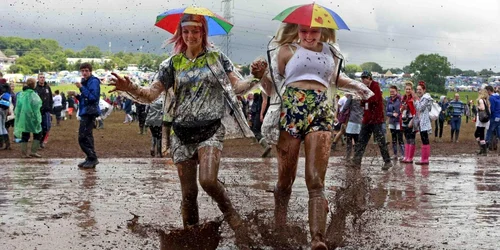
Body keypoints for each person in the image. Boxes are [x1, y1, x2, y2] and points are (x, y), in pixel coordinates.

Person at [108, 14, 263, 241]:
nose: (191, 36)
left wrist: (255, 78)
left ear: (203, 33)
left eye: (196, 31)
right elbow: (151, 95)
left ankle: (234, 219)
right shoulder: (171, 64)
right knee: (189, 194)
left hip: (210, 129)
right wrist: (129, 87)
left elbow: (237, 88)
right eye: (186, 31)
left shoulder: (217, 59)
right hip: (181, 133)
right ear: (180, 34)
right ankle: (193, 238)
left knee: (208, 181)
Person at [259, 23, 374, 249]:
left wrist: (357, 86)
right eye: (304, 31)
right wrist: (259, 75)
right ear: (297, 31)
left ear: (322, 31)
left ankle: (317, 239)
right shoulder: (285, 50)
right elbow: (271, 85)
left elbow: (335, 79)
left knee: (315, 179)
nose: (309, 36)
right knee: (285, 180)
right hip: (291, 110)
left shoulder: (331, 52)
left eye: (314, 31)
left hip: (320, 110)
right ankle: (279, 228)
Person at [349, 71, 392, 170]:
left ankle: (387, 161)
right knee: (361, 141)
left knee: (381, 141)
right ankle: (356, 161)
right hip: (367, 119)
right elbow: (363, 103)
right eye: (362, 78)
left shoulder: (375, 86)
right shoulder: (365, 88)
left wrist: (363, 97)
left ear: (370, 78)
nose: (364, 80)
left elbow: (375, 99)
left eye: (365, 78)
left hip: (376, 119)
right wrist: (363, 99)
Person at [74, 62, 101, 168]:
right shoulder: (85, 81)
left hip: (90, 111)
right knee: (87, 136)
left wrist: (81, 88)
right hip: (86, 111)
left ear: (90, 71)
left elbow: (93, 98)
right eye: (82, 71)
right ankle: (90, 158)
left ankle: (92, 157)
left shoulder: (93, 82)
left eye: (86, 71)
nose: (84, 73)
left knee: (83, 136)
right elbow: (85, 98)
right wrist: (77, 95)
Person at [14, 78, 43, 157]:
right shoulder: (33, 94)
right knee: (38, 133)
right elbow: (37, 106)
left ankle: (24, 153)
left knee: (25, 134)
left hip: (23, 118)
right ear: (34, 84)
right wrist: (37, 117)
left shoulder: (21, 94)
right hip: (32, 117)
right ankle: (33, 151)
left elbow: (18, 106)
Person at [413, 81, 433, 165]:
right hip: (422, 121)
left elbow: (420, 108)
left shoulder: (426, 98)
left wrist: (416, 101)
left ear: (424, 90)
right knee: (424, 139)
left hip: (424, 122)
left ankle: (425, 159)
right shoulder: (422, 98)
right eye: (417, 89)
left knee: (425, 140)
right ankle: (424, 158)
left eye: (420, 89)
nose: (418, 91)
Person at [249, 92, 272, 157]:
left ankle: (266, 146)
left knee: (255, 130)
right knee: (266, 132)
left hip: (261, 112)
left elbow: (265, 101)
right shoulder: (273, 89)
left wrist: (261, 113)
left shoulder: (264, 88)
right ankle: (268, 153)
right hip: (269, 112)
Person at [34, 73, 53, 148]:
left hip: (46, 111)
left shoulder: (47, 87)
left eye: (43, 77)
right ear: (38, 78)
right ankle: (37, 142)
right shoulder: (35, 88)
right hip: (38, 111)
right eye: (40, 77)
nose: (42, 78)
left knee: (47, 127)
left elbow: (50, 99)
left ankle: (41, 141)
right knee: (38, 127)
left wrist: (51, 111)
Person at [342, 94, 363, 161]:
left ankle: (348, 156)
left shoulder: (352, 95)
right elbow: (366, 107)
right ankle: (357, 156)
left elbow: (345, 106)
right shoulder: (364, 96)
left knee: (349, 139)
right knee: (357, 139)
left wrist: (342, 113)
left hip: (352, 120)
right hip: (360, 120)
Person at [400, 81, 417, 163]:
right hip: (404, 119)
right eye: (406, 89)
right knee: (406, 138)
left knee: (411, 138)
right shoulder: (403, 98)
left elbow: (415, 110)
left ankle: (410, 157)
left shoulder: (413, 98)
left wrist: (413, 120)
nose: (408, 91)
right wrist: (402, 108)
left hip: (411, 119)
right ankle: (406, 156)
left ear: (412, 90)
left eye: (409, 89)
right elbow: (400, 109)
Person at [386, 85, 404, 160]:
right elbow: (386, 111)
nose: (391, 93)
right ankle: (395, 154)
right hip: (392, 121)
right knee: (393, 138)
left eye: (393, 91)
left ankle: (403, 154)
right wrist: (392, 114)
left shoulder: (400, 99)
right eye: (390, 92)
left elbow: (403, 109)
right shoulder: (388, 100)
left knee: (400, 137)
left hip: (399, 120)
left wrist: (399, 113)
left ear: (396, 91)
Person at [475, 89, 490, 156]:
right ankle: (483, 149)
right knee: (480, 134)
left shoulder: (481, 100)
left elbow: (482, 108)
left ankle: (483, 149)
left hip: (481, 119)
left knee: (479, 134)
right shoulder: (486, 101)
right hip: (485, 119)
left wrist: (477, 107)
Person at [485, 86, 500, 151]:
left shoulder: (491, 98)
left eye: (486, 91)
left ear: (489, 90)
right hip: (499, 117)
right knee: (498, 133)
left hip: (493, 117)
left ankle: (485, 147)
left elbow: (492, 109)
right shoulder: (498, 97)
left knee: (489, 131)